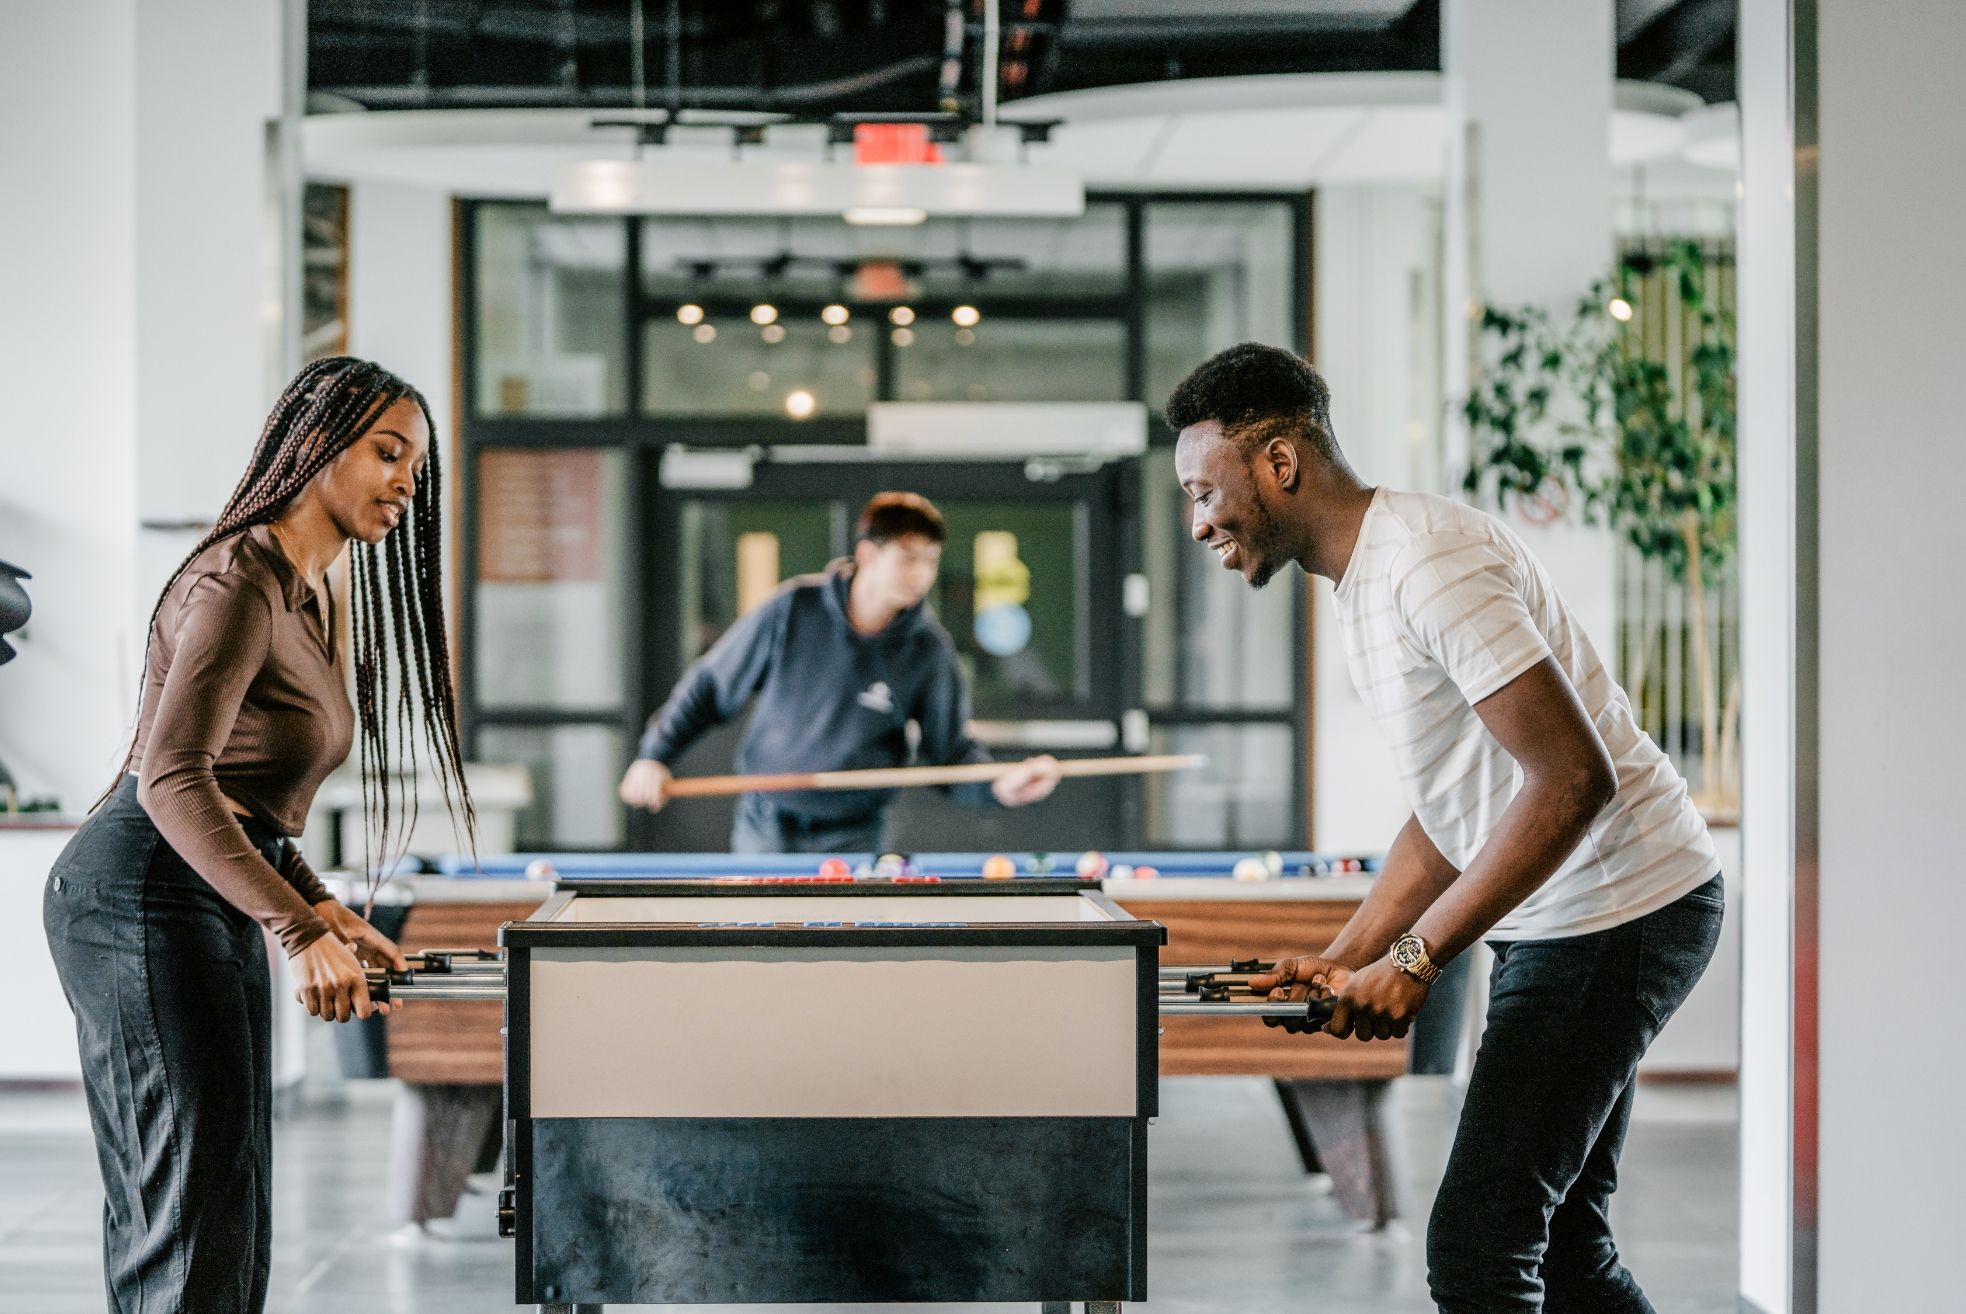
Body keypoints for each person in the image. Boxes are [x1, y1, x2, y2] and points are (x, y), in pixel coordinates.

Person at [1165, 343, 1722, 1314]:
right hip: (1577, 914)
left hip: (1618, 906)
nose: (1197, 522)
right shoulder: (1363, 582)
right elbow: (1453, 805)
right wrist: (1347, 951)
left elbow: (1570, 780)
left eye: (1204, 491)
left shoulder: (1427, 561)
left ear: (1279, 463)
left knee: (1478, 1250)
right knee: (1561, 1250)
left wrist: (1417, 959)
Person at [43, 356, 474, 1314]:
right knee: (187, 1202)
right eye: (387, 452)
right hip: (137, 893)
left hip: (207, 890)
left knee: (229, 1194)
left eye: (417, 463)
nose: (407, 479)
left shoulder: (314, 591)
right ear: (315, 447)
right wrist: (299, 930)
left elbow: (253, 797)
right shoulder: (237, 580)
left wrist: (316, 901)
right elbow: (171, 777)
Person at [619, 491, 1062, 853]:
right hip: (765, 824)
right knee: (760, 952)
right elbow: (711, 686)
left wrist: (998, 785)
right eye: (908, 558)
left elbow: (950, 754)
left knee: (843, 957)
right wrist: (654, 754)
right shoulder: (793, 608)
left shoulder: (929, 649)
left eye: (931, 560)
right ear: (868, 553)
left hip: (854, 835)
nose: (922, 574)